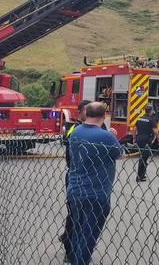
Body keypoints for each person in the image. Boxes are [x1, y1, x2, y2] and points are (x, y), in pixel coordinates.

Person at [67, 102, 122, 265]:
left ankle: (74, 260)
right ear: (104, 116)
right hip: (96, 193)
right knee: (89, 236)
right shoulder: (106, 136)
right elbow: (119, 154)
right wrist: (112, 135)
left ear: (86, 113)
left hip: (75, 190)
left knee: (78, 230)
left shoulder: (75, 132)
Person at [60, 99, 92, 261]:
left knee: (88, 215)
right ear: (80, 111)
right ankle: (69, 249)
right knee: (75, 213)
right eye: (88, 110)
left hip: (95, 178)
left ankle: (70, 239)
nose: (91, 113)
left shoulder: (97, 126)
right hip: (76, 176)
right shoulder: (74, 128)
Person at [135, 105, 159, 182]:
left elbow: (135, 129)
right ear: (151, 111)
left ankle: (142, 175)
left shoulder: (140, 118)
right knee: (144, 158)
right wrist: (158, 139)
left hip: (139, 139)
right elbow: (155, 131)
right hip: (146, 140)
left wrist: (134, 138)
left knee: (142, 156)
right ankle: (140, 176)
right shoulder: (151, 119)